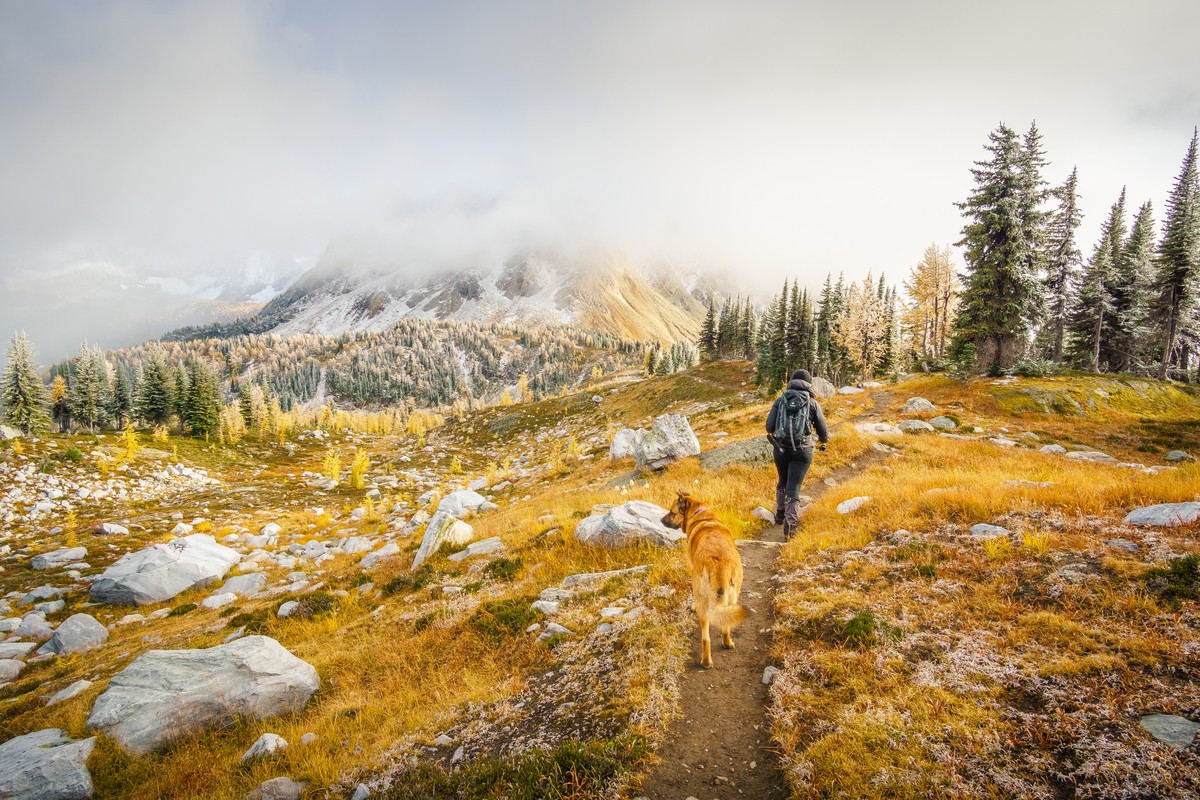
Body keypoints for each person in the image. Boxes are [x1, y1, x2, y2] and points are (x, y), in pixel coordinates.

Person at [765, 369, 830, 539]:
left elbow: (769, 427)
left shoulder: (781, 400)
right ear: (809, 384)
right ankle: (790, 526)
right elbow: (823, 431)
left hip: (781, 449)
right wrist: (823, 441)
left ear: (792, 382)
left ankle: (779, 514)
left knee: (783, 480)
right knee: (794, 486)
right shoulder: (812, 403)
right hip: (803, 451)